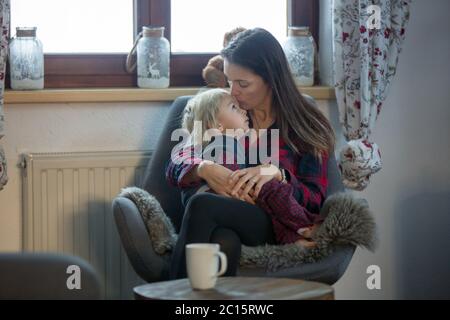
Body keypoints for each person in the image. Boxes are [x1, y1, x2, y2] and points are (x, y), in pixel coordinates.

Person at [165, 28, 335, 279]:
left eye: (242, 83)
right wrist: (205, 168)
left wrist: (278, 174)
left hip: (271, 223)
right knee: (225, 240)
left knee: (202, 204)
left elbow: (314, 200)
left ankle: (171, 298)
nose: (232, 91)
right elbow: (175, 165)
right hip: (222, 221)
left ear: (270, 78)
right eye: (229, 80)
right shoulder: (223, 112)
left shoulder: (308, 127)